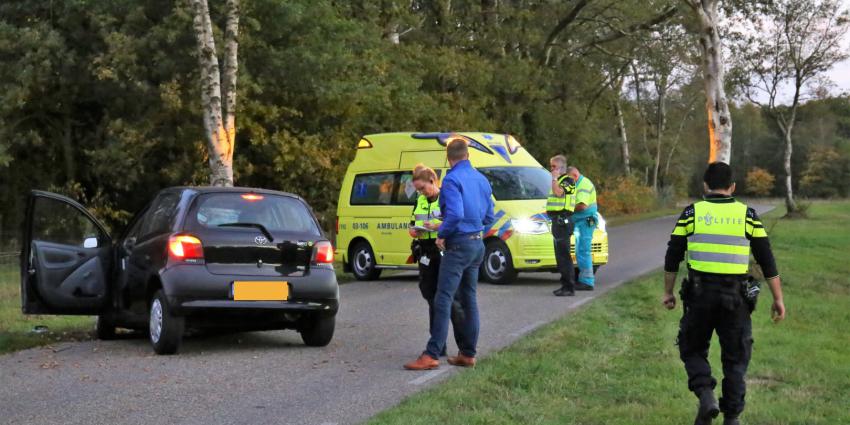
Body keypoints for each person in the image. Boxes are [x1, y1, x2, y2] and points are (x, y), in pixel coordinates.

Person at [663, 162, 786, 425]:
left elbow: (673, 255)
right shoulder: (748, 215)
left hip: (699, 296)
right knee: (736, 359)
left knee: (692, 348)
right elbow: (767, 260)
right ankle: (732, 417)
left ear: (705, 185)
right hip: (736, 299)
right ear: (732, 187)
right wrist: (778, 299)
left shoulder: (691, 213)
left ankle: (706, 394)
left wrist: (668, 292)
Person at [404, 137, 495, 370]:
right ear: (468, 155)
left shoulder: (452, 180)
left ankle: (432, 354)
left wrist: (442, 234)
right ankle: (468, 353)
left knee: (442, 298)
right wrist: (475, 232)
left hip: (458, 246)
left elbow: (454, 215)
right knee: (468, 298)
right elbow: (489, 217)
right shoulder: (482, 180)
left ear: (448, 157)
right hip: (477, 245)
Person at [408, 164, 465, 356]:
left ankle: (464, 347)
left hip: (443, 250)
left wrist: (435, 227)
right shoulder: (419, 200)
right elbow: (412, 223)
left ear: (432, 181)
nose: (421, 192)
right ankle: (438, 344)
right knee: (431, 296)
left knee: (450, 299)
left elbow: (455, 220)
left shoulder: (446, 198)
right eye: (418, 190)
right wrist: (413, 230)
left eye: (422, 188)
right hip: (425, 252)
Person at [547, 155, 577, 296]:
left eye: (553, 166)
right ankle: (565, 285)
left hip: (563, 222)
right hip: (557, 221)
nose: (551, 169)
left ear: (560, 168)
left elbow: (558, 193)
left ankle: (569, 287)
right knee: (560, 256)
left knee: (564, 256)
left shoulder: (568, 180)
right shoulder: (558, 181)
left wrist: (554, 178)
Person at [566, 166, 597, 290]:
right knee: (580, 251)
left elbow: (582, 206)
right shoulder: (580, 183)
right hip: (582, 221)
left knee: (583, 251)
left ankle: (587, 281)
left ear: (575, 175)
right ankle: (583, 279)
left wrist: (567, 209)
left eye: (569, 179)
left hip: (585, 220)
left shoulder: (583, 185)